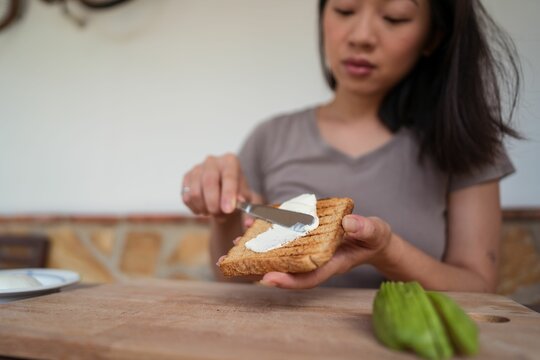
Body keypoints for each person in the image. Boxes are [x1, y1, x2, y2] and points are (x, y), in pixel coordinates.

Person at [181, 0, 521, 292]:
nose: (361, 37)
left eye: (394, 17)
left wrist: (387, 251)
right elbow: (233, 282)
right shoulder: (270, 137)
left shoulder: (466, 142)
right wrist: (225, 211)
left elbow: (479, 285)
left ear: (433, 36)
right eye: (344, 10)